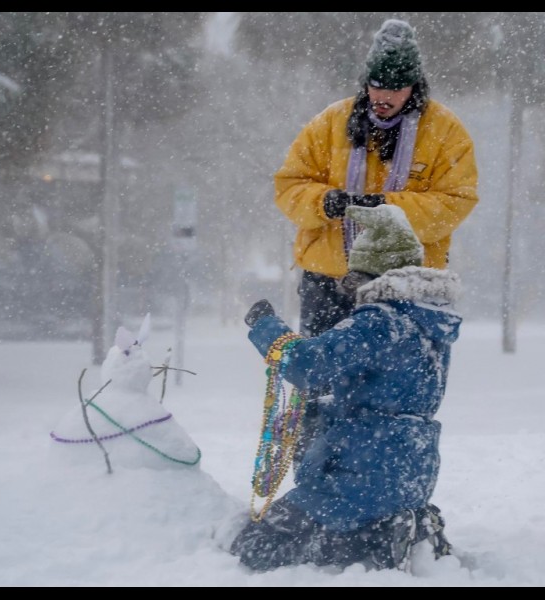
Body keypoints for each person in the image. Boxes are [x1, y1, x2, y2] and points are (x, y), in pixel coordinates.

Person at [273, 17, 478, 467]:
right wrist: (324, 202)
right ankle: (313, 477)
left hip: (405, 290)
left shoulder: (446, 132)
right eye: (375, 85)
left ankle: (380, 485)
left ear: (415, 87)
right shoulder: (330, 123)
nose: (383, 96)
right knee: (317, 390)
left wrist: (386, 206)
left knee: (391, 397)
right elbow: (288, 186)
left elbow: (456, 201)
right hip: (329, 281)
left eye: (395, 88)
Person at [230, 203, 460, 572]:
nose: (350, 292)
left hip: (358, 473)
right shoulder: (429, 325)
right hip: (410, 470)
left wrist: (265, 325)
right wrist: (318, 411)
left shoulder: (379, 321)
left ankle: (378, 535)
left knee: (256, 546)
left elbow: (308, 366)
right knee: (349, 523)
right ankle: (403, 522)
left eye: (354, 280)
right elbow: (388, 396)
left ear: (373, 275)